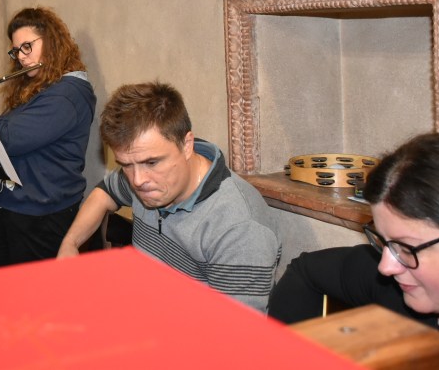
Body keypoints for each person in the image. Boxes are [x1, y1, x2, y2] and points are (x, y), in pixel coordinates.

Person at [268, 133, 439, 368]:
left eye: (406, 248)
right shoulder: (403, 284)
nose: (386, 266)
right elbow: (307, 274)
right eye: (384, 241)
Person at [57, 81, 281, 312]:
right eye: (126, 165)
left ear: (186, 145)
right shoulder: (147, 176)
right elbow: (105, 193)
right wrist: (70, 243)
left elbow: (234, 328)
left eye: (152, 163)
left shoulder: (239, 227)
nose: (137, 180)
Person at [0, 6, 96, 268]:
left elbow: (8, 139)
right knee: (0, 289)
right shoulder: (41, 88)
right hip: (12, 207)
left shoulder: (67, 95)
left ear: (51, 41)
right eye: (16, 50)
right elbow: (4, 131)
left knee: (31, 294)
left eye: (27, 46)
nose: (21, 56)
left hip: (41, 217)